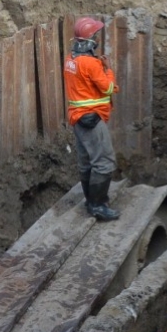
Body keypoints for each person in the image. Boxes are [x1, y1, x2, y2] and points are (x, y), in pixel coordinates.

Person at [64, 16, 119, 222]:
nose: (97, 38)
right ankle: (98, 205)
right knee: (104, 162)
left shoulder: (71, 59)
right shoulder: (91, 64)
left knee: (86, 162)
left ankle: (90, 201)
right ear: (90, 39)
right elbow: (108, 88)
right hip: (92, 119)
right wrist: (109, 70)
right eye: (95, 35)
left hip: (78, 118)